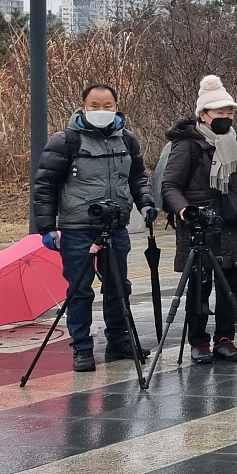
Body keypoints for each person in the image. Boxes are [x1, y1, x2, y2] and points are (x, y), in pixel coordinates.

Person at [32, 83, 158, 372]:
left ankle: (119, 341)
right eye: (95, 106)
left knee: (119, 286)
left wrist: (146, 202)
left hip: (115, 226)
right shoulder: (65, 141)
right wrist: (46, 227)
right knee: (80, 290)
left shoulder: (127, 139)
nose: (101, 111)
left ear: (117, 107)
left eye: (108, 106)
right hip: (77, 228)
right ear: (83, 107)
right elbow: (45, 186)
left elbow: (137, 177)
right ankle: (82, 348)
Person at [162, 75, 237, 365]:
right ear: (203, 114)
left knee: (230, 286)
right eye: (220, 112)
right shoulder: (187, 144)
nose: (226, 117)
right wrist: (184, 211)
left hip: (232, 223)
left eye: (229, 112)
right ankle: (199, 341)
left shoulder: (234, 141)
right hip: (200, 226)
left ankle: (225, 339)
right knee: (199, 287)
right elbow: (170, 185)